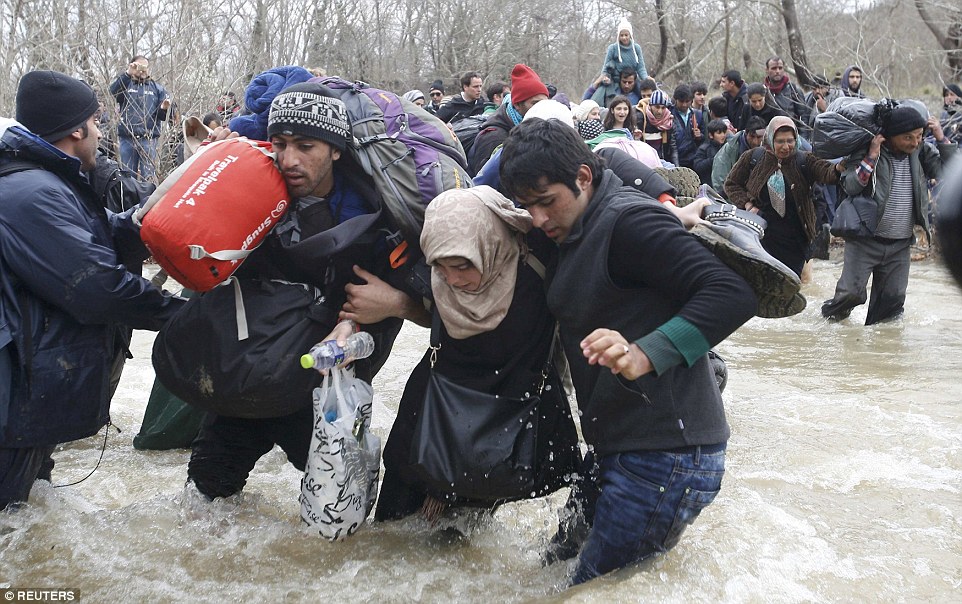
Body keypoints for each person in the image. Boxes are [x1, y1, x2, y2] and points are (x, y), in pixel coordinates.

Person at [499, 118, 756, 585]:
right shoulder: (570, 225)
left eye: (546, 202)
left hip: (666, 455)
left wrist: (645, 352)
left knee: (589, 590)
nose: (537, 218)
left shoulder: (629, 223)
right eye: (527, 206)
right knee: (550, 573)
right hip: (616, 446)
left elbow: (731, 294)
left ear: (583, 177)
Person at [186, 82, 420, 500]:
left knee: (341, 522)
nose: (288, 160)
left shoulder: (377, 216)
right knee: (203, 501)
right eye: (279, 144)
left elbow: (435, 310)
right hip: (248, 375)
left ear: (335, 150)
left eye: (306, 146)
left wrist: (391, 305)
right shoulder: (250, 191)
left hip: (325, 388)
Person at [0, 71, 185, 510]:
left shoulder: (41, 180)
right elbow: (95, 287)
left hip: (27, 384)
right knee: (9, 521)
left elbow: (96, 232)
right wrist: (179, 314)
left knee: (25, 513)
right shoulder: (32, 194)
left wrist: (152, 223)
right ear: (76, 130)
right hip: (13, 394)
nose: (101, 133)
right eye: (96, 122)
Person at [375, 187, 580, 522]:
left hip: (502, 436)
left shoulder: (540, 261)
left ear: (489, 244)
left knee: (461, 545)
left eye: (461, 266)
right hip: (428, 426)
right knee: (390, 538)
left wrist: (668, 206)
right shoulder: (426, 270)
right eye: (440, 267)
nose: (453, 280)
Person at [821, 107, 957, 325]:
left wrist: (941, 137)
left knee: (891, 306)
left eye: (919, 136)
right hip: (865, 240)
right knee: (850, 295)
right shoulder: (867, 150)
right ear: (890, 136)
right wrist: (871, 157)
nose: (914, 142)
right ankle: (826, 325)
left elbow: (949, 172)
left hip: (900, 244)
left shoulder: (920, 152)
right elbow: (851, 186)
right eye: (908, 138)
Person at [723, 116, 843, 276]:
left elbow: (827, 172)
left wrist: (839, 168)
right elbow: (731, 184)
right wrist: (747, 204)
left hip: (795, 238)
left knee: (790, 282)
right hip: (760, 234)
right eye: (780, 141)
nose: (786, 146)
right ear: (771, 139)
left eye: (790, 141)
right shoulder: (753, 158)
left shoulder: (804, 160)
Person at [468, 63, 549, 175]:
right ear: (517, 104)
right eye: (535, 103)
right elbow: (486, 185)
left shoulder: (532, 128)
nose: (541, 108)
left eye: (544, 103)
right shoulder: (493, 138)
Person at [108, 55, 171, 181]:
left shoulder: (157, 89)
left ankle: (147, 200)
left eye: (145, 67)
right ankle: (128, 200)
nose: (142, 70)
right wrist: (128, 74)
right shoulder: (126, 85)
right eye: (138, 66)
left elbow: (162, 117)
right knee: (126, 177)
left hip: (148, 139)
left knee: (148, 177)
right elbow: (113, 91)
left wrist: (164, 108)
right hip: (127, 138)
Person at [589, 17, 648, 107]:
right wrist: (605, 78)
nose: (624, 38)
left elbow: (641, 67)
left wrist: (645, 79)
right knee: (609, 99)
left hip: (632, 79)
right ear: (618, 36)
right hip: (616, 80)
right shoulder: (613, 48)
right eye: (621, 35)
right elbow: (605, 67)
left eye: (626, 35)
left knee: (646, 93)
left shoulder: (636, 48)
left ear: (630, 35)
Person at [712, 115, 766, 191]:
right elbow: (719, 179)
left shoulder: (768, 148)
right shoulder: (730, 149)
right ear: (746, 133)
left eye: (759, 137)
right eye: (752, 136)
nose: (755, 141)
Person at [763, 57, 810, 130]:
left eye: (780, 68)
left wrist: (802, 137)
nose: (777, 71)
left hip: (792, 134)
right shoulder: (763, 91)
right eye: (774, 68)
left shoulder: (794, 90)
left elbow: (804, 117)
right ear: (767, 70)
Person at [637, 90, 677, 165]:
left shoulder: (668, 122)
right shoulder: (640, 119)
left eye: (663, 108)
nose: (660, 111)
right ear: (650, 105)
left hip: (661, 161)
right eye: (657, 107)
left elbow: (672, 148)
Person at [671, 84, 705, 170]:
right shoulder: (669, 115)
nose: (684, 105)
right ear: (675, 100)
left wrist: (699, 136)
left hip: (693, 158)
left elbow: (705, 138)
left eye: (687, 101)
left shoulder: (697, 115)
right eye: (681, 101)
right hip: (676, 157)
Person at [694, 119, 729, 184]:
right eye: (719, 133)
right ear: (711, 135)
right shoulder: (704, 148)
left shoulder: (727, 147)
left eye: (724, 132)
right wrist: (714, 160)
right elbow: (697, 166)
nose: (723, 135)